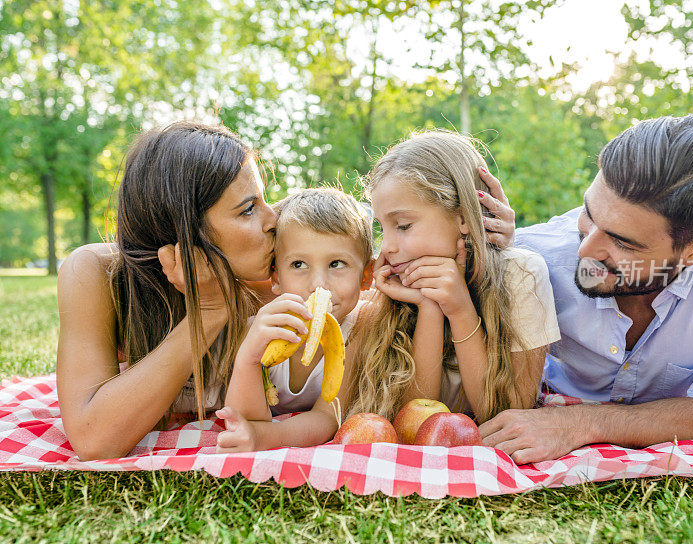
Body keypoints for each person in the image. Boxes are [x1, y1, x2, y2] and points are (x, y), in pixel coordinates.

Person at [476, 115, 693, 464]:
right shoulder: (534, 257)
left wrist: (578, 423)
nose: (586, 251)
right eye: (588, 213)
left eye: (622, 242)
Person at [56, 121, 279, 460]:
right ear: (183, 230)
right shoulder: (97, 273)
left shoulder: (279, 269)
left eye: (264, 201)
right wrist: (209, 311)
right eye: (248, 209)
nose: (273, 218)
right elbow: (94, 439)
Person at [341, 130, 561, 425]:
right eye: (383, 228)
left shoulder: (521, 274)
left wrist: (460, 310)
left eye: (403, 225)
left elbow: (504, 413)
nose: (388, 247)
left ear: (463, 219)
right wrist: (429, 307)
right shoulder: (396, 288)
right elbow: (415, 417)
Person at [215, 188, 374, 452]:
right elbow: (244, 420)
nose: (319, 285)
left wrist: (263, 437)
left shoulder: (357, 330)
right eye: (299, 264)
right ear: (276, 278)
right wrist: (249, 357)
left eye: (336, 263)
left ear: (366, 276)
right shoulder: (262, 328)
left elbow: (327, 418)